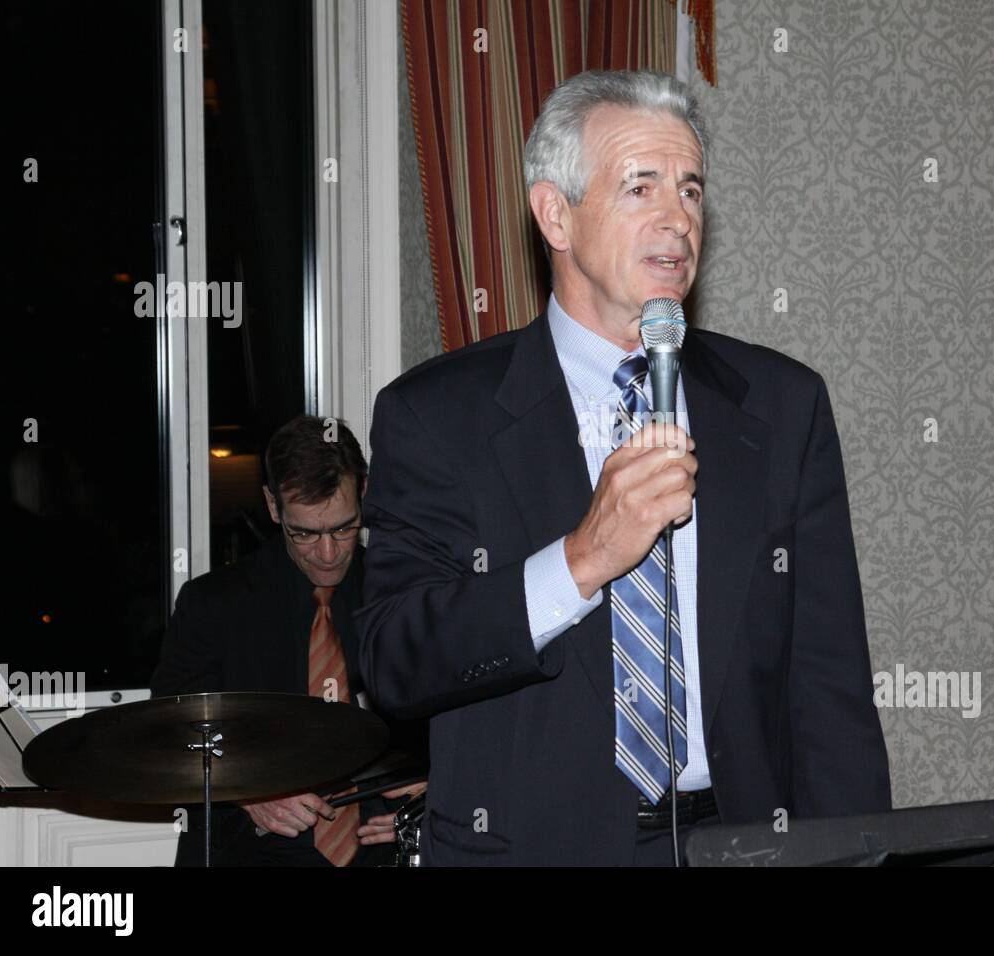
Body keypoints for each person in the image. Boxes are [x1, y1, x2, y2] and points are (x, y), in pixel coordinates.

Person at [357, 69, 889, 866]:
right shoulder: (437, 416)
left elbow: (829, 685)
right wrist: (580, 561)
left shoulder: (782, 407)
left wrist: (858, 854)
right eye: (641, 187)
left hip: (743, 847)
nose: (677, 220)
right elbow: (395, 661)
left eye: (692, 190)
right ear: (555, 215)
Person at [151, 415, 425, 866]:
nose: (328, 552)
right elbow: (169, 737)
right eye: (304, 533)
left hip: (383, 851)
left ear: (366, 492)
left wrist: (429, 791)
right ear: (273, 507)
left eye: (344, 527)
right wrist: (249, 795)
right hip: (251, 854)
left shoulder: (404, 597)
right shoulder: (213, 605)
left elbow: (458, 724)